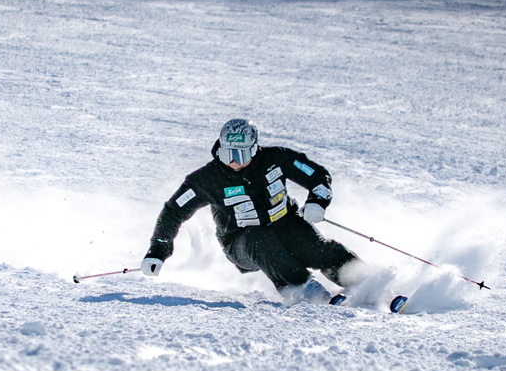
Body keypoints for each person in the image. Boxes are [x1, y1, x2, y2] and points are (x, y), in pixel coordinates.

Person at [142, 118, 380, 307]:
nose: (234, 162)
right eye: (228, 154)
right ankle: (304, 289)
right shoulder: (206, 179)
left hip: (286, 222)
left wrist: (317, 201)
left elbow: (317, 175)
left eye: (241, 154)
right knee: (261, 241)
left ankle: (368, 283)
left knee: (318, 251)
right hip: (240, 241)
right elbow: (173, 211)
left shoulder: (276, 159)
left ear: (254, 149)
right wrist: (157, 251)